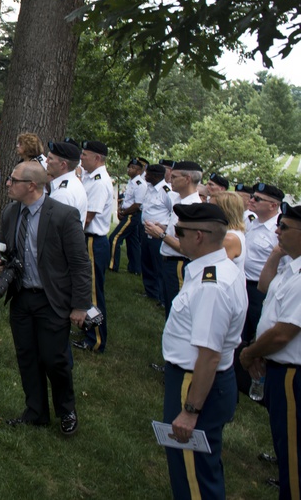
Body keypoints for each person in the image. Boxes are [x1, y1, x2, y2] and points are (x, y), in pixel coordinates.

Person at [0, 160, 91, 434]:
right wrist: (3, 266)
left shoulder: (63, 215)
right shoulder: (11, 213)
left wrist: (80, 306)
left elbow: (80, 264)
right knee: (27, 355)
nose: (8, 184)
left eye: (13, 180)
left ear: (31, 186)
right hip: (22, 297)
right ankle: (35, 411)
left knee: (54, 359)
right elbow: (11, 251)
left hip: (52, 300)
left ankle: (66, 410)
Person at [160, 203, 246, 500]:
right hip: (196, 379)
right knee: (201, 469)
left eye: (180, 231)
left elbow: (209, 355)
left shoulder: (213, 285)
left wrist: (190, 411)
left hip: (194, 384)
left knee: (192, 477)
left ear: (198, 236)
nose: (174, 235)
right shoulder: (215, 270)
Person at [240, 203, 301, 500]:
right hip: (281, 370)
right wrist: (278, 252)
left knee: (293, 452)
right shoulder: (292, 266)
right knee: (286, 444)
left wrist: (250, 353)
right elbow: (265, 286)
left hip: (292, 375)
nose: (277, 230)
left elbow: (282, 334)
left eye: (285, 227)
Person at [235, 182, 286, 396]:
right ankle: (238, 375)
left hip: (261, 289)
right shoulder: (252, 221)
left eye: (257, 199)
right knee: (239, 329)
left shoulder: (280, 230)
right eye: (252, 197)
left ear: (273, 205)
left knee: (256, 332)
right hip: (242, 282)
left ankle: (254, 380)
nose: (251, 200)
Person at [147, 161, 204, 317]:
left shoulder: (192, 207)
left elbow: (187, 248)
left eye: (174, 177)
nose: (169, 180)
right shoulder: (179, 201)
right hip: (169, 263)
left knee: (177, 312)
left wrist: (161, 235)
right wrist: (164, 228)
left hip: (179, 265)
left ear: (187, 179)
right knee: (169, 309)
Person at [75, 140, 112, 353]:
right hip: (88, 240)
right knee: (87, 289)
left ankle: (96, 339)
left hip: (93, 242)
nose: (81, 158)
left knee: (93, 292)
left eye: (85, 155)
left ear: (97, 158)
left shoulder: (99, 181)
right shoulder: (90, 177)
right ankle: (88, 327)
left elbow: (88, 217)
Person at [141, 163, 173, 305]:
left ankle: (162, 297)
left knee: (158, 265)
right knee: (146, 262)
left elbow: (173, 211)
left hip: (157, 233)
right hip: (145, 230)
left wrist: (164, 227)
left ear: (157, 176)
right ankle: (151, 292)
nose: (145, 176)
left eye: (148, 174)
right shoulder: (149, 188)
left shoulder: (167, 191)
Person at [109, 158, 147, 275]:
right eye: (130, 167)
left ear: (139, 171)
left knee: (114, 238)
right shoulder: (131, 182)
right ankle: (136, 268)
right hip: (127, 213)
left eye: (134, 168)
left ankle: (112, 265)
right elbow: (127, 200)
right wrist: (121, 209)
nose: (130, 169)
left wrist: (124, 213)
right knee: (133, 242)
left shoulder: (140, 184)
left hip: (132, 215)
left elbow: (137, 204)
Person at [45, 140, 88, 223]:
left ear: (63, 165)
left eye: (50, 158)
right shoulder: (73, 183)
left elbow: (53, 228)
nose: (46, 161)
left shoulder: (63, 194)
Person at [210, 191, 247, 268]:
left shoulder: (229, 238)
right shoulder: (231, 233)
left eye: (212, 207)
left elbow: (213, 267)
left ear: (225, 211)